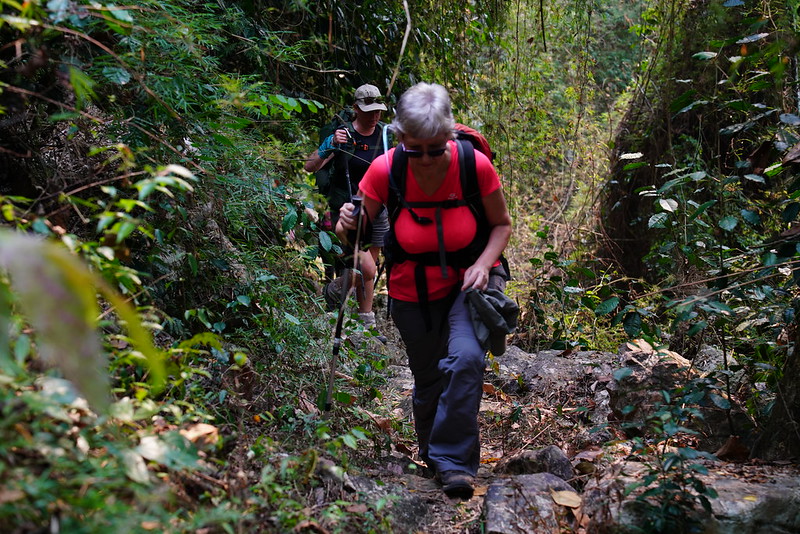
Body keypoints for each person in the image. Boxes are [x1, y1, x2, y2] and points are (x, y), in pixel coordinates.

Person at [335, 82, 512, 498]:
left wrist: (485, 265)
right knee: (428, 377)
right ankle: (435, 457)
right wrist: (347, 222)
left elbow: (501, 224)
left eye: (438, 148)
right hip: (412, 288)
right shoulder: (386, 168)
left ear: (451, 135)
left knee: (466, 360)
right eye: (418, 149)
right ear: (401, 140)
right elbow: (356, 235)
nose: (429, 159)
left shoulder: (474, 166)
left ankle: (455, 465)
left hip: (471, 285)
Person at [305, 84, 392, 339]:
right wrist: (329, 144)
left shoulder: (385, 136)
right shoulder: (344, 136)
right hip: (347, 208)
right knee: (359, 266)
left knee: (370, 266)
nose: (374, 116)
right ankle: (334, 299)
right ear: (356, 109)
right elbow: (311, 166)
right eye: (368, 111)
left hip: (379, 208)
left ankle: (366, 323)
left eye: (377, 110)